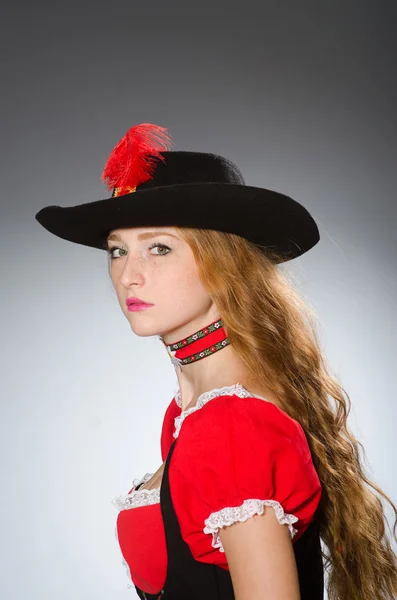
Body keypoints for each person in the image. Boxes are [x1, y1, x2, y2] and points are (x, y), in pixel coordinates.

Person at [35, 123, 397, 600]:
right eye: (117, 251)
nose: (128, 275)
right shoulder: (193, 413)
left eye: (159, 248)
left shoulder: (230, 424)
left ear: (224, 266)